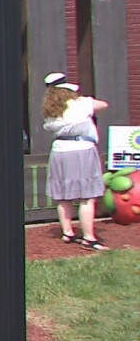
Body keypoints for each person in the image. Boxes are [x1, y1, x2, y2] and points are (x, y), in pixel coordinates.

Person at [42, 73, 110, 251]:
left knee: (63, 195)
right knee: (87, 196)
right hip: (82, 149)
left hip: (60, 151)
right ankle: (89, 237)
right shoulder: (81, 103)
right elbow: (103, 105)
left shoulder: (51, 111)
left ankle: (67, 232)